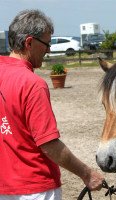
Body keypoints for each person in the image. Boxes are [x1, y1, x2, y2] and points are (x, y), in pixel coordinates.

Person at [0, 9, 104, 199]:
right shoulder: (32, 84)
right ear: (29, 42)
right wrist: (87, 174)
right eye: (46, 44)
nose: (48, 50)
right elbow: (49, 145)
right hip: (35, 188)